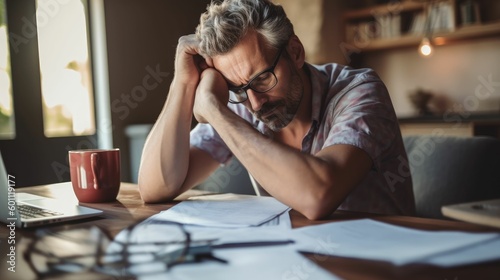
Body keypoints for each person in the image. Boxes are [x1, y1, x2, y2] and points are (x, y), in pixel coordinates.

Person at [138, 0, 415, 220]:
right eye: (238, 90)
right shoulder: (243, 102)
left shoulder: (359, 92)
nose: (256, 104)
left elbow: (317, 196)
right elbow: (154, 187)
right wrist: (183, 83)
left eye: (263, 79)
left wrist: (213, 109)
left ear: (295, 52)